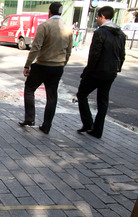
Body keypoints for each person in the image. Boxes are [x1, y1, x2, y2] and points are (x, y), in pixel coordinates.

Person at [18, 2, 73, 134]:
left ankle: (30, 118)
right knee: (52, 95)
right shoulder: (68, 28)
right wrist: (63, 64)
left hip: (42, 65)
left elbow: (35, 47)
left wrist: (28, 65)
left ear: (49, 12)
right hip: (58, 66)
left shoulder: (45, 26)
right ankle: (46, 126)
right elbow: (69, 50)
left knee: (30, 89)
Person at [75, 6, 126, 139]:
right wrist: (117, 68)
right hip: (111, 72)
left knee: (82, 94)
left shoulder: (101, 33)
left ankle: (88, 123)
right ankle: (98, 130)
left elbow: (94, 55)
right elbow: (122, 54)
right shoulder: (120, 34)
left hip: (97, 71)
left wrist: (87, 72)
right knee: (103, 100)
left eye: (97, 17)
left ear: (102, 16)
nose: (96, 19)